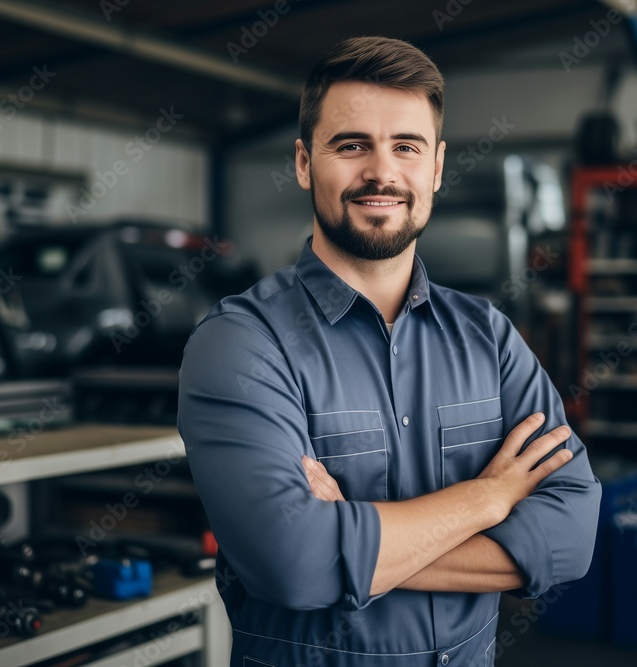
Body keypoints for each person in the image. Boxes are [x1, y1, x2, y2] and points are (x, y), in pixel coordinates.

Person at [178, 35, 601, 667]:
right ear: (302, 162)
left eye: (406, 146)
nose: (382, 171)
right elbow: (292, 564)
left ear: (435, 167)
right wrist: (486, 500)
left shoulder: (487, 336)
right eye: (352, 145)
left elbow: (572, 537)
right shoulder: (241, 344)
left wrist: (346, 538)